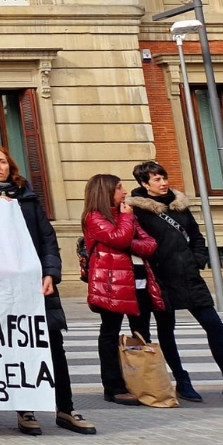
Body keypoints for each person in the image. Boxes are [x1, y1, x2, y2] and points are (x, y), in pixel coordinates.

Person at [0, 146, 94, 436]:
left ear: (11, 167)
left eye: (2, 161)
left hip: (36, 286)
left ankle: (65, 409)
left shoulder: (29, 199)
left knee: (54, 347)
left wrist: (51, 273)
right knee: (15, 349)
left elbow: (48, 240)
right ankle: (25, 409)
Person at [128, 162, 223, 401]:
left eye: (163, 177)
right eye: (156, 179)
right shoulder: (137, 211)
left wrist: (198, 259)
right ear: (144, 184)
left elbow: (196, 236)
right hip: (162, 279)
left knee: (214, 325)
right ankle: (182, 380)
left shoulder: (179, 205)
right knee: (167, 330)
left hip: (189, 276)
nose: (163, 182)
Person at [84, 173, 163, 404]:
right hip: (112, 286)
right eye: (119, 188)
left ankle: (141, 383)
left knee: (141, 335)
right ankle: (114, 386)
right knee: (110, 334)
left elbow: (150, 244)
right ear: (106, 191)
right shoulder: (94, 217)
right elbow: (117, 238)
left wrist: (129, 240)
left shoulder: (127, 215)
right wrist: (126, 227)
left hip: (139, 283)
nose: (125, 192)